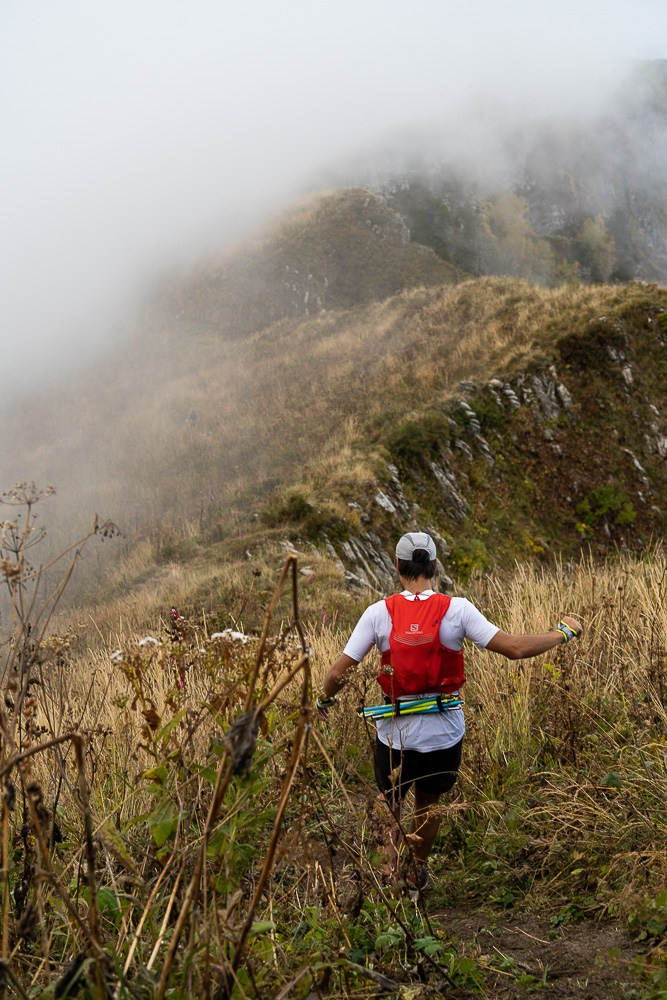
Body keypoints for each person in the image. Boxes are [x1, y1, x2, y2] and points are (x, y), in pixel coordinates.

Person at [316, 530, 583, 892]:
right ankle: (415, 874)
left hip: (393, 734)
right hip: (443, 734)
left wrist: (324, 701)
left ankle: (388, 875)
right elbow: (515, 649)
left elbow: (336, 672)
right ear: (434, 566)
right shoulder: (457, 610)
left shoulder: (378, 613)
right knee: (428, 803)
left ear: (398, 567)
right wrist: (562, 633)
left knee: (389, 804)